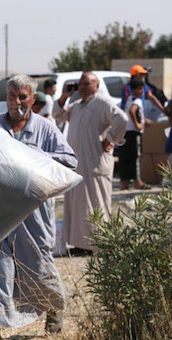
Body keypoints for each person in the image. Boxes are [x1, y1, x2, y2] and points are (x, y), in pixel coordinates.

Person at [0, 75, 77, 340]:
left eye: (22, 97)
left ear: (33, 99)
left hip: (33, 213)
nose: (16, 102)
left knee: (39, 265)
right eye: (11, 96)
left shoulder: (45, 128)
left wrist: (35, 155)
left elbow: (70, 161)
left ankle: (54, 312)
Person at [53, 72, 128, 252]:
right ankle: (81, 244)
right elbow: (58, 114)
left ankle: (97, 244)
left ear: (96, 85)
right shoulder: (77, 106)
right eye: (80, 84)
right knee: (78, 204)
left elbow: (122, 119)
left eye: (86, 84)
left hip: (95, 163)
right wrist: (64, 96)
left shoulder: (102, 103)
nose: (82, 88)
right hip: (79, 164)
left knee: (95, 203)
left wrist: (110, 138)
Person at [118, 79, 153, 190]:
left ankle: (124, 183)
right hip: (134, 132)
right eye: (141, 89)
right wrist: (138, 124)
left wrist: (142, 120)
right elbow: (132, 111)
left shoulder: (128, 99)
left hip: (125, 132)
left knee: (124, 158)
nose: (142, 91)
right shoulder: (137, 101)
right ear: (137, 90)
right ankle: (138, 182)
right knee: (135, 157)